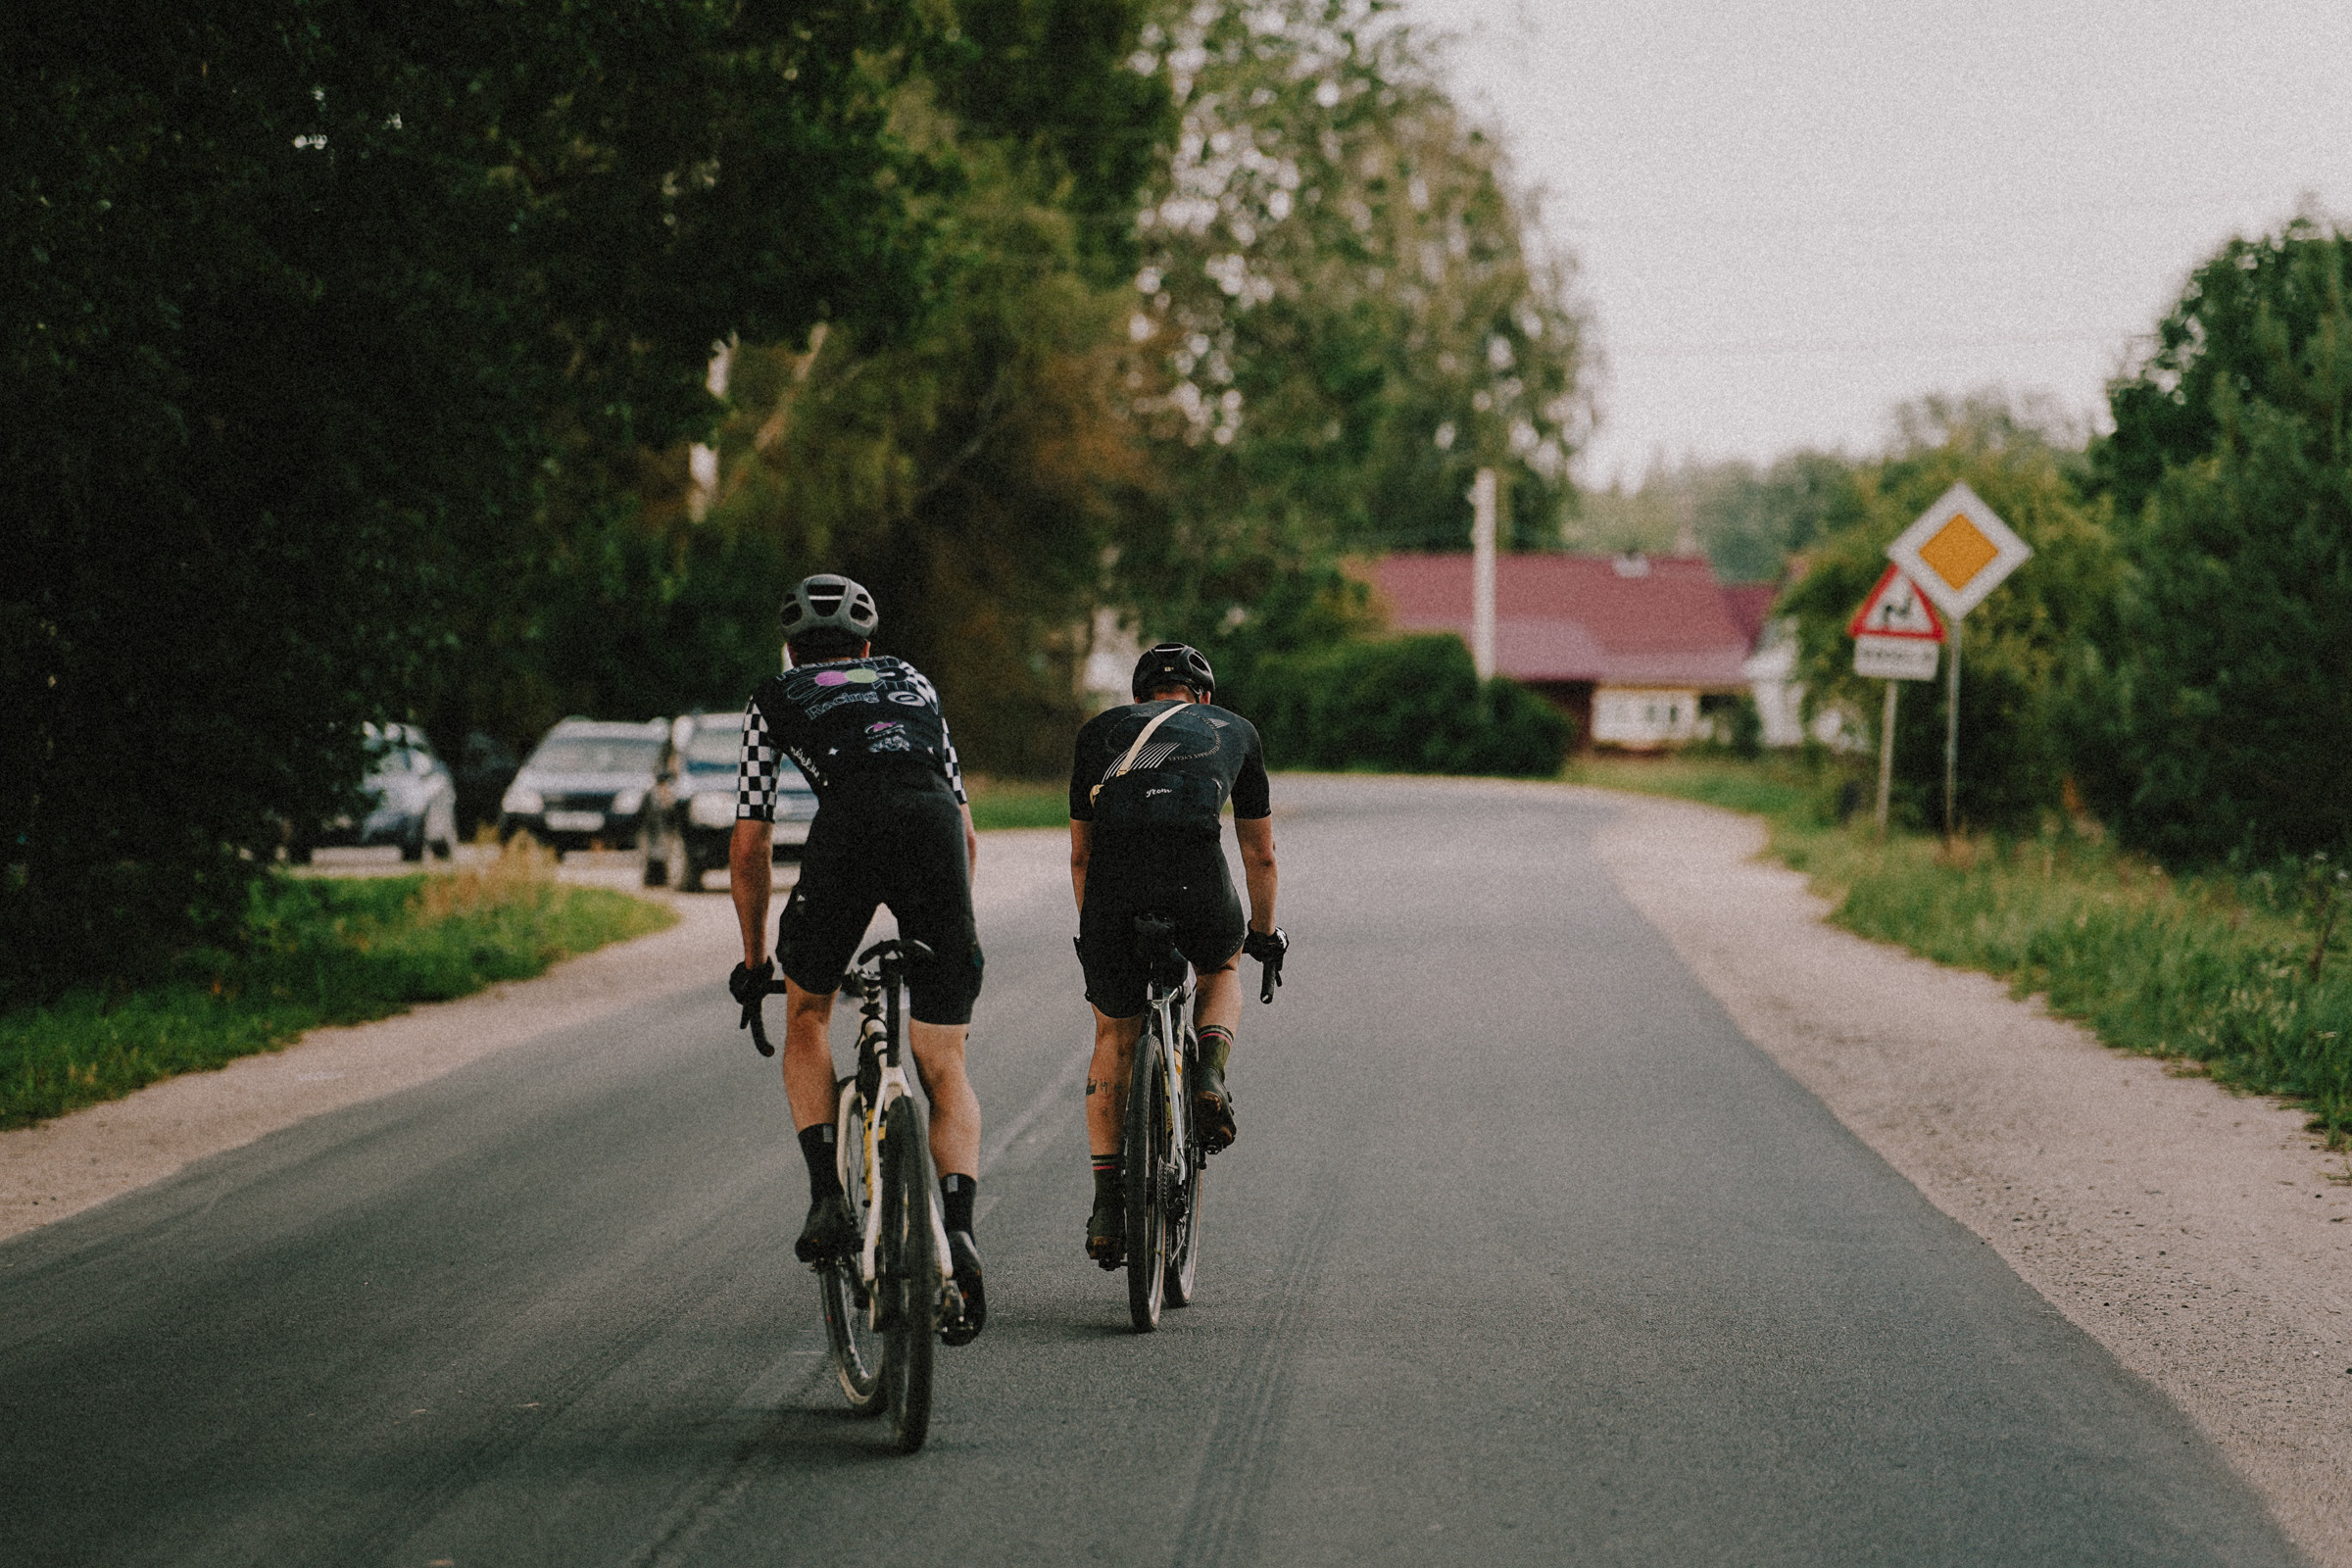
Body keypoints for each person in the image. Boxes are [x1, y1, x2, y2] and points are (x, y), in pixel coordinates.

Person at [728, 573, 988, 1344]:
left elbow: (751, 839)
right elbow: (967, 832)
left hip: (849, 834)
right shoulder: (912, 682)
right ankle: (962, 1231)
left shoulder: (776, 695)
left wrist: (755, 961)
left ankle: (825, 1198)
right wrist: (948, 926)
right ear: (868, 647)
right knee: (943, 1062)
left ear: (792, 649)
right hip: (936, 837)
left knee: (807, 1014)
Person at [1068, 642, 1286, 1267]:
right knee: (1221, 964)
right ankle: (1210, 1074)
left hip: (1113, 881)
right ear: (1205, 699)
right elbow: (1261, 855)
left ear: (1137, 699)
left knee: (1114, 1032)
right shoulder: (1235, 731)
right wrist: (1263, 935)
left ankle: (1109, 1205)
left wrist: (1098, 933)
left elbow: (1081, 855)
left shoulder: (1100, 732)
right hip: (1196, 874)